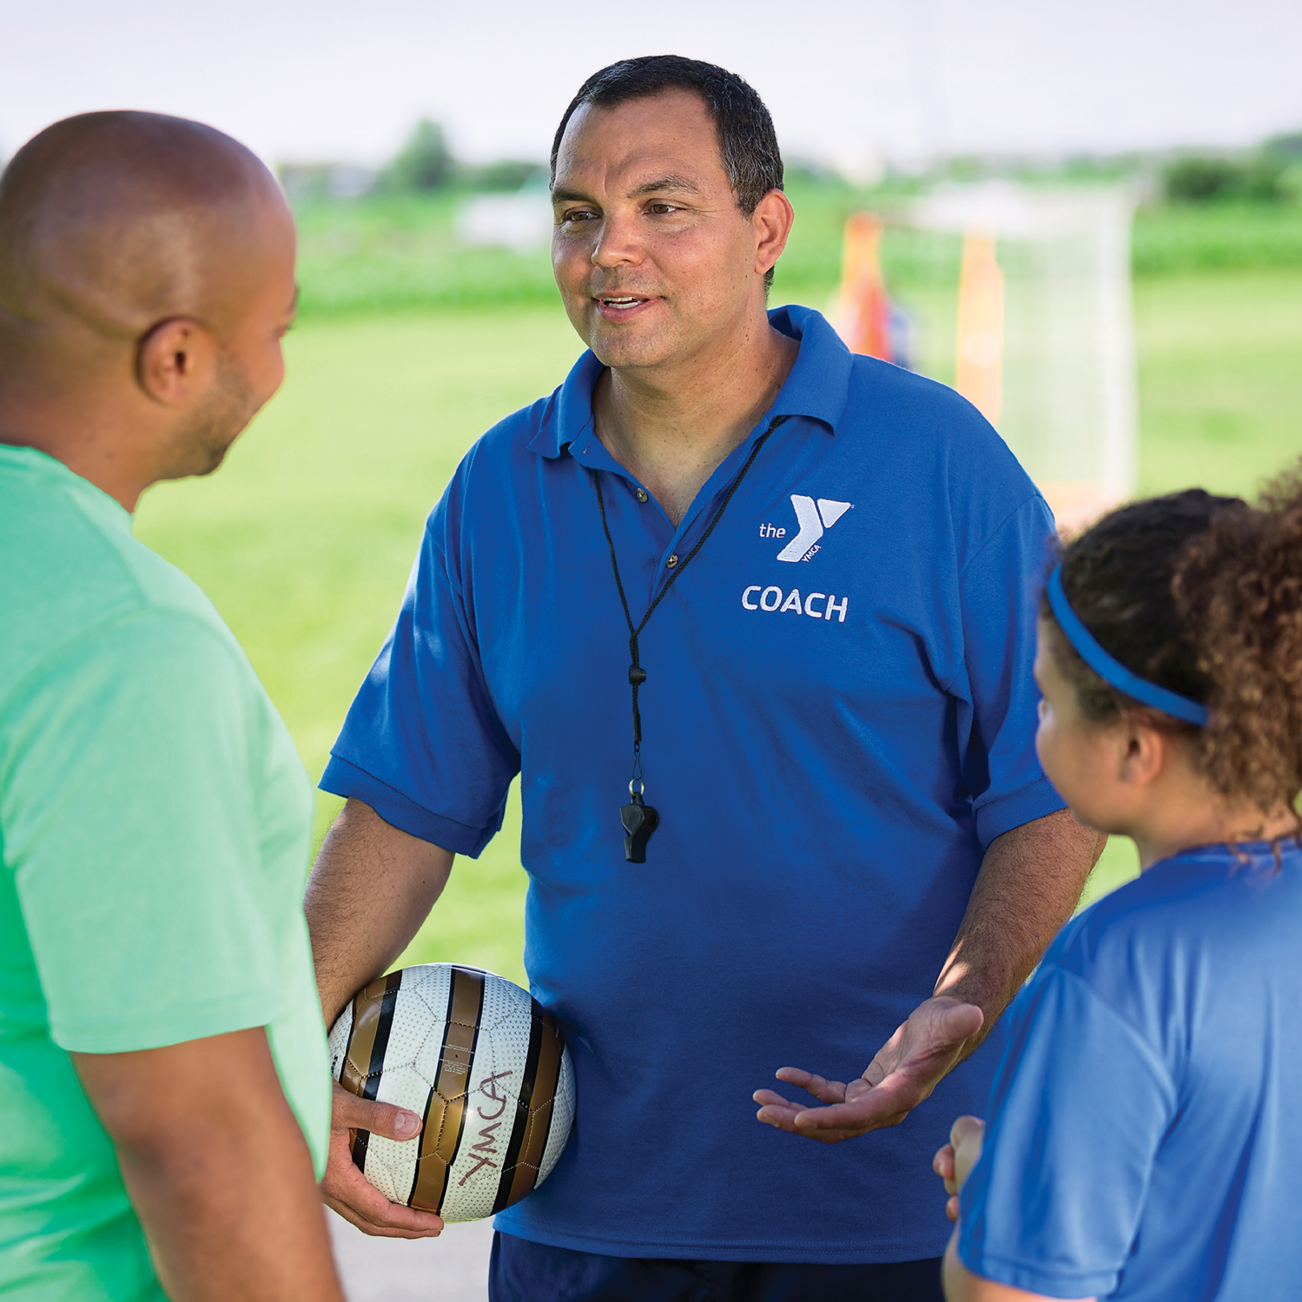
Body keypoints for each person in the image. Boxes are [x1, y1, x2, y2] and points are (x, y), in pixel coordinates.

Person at [307, 56, 1099, 1300]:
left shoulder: (939, 462)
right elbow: (404, 809)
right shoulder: (497, 491)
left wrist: (975, 991)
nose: (610, 250)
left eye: (662, 208)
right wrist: (288, 1063)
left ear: (765, 229)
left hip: (894, 1205)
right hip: (584, 1211)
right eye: (578, 215)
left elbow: (1051, 786)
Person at [0, 113, 345, 1301]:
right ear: (178, 359)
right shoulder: (118, 643)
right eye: (277, 331)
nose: (283, 370)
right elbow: (190, 1129)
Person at [933, 476, 1302, 1301]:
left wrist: (993, 1191)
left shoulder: (1116, 969)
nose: (1035, 727)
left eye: (1050, 705)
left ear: (1136, 750)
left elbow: (1007, 1296)